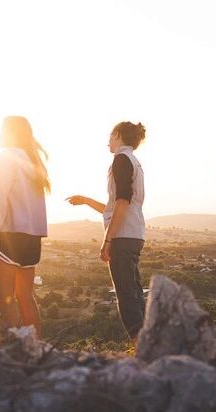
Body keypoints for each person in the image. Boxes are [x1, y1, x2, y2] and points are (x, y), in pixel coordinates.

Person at [67, 121, 147, 339]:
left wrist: (108, 239)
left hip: (122, 235)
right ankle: (147, 343)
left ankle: (140, 346)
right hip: (134, 233)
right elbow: (113, 207)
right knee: (134, 293)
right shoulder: (134, 161)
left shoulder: (121, 159)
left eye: (111, 135)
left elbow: (122, 201)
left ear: (119, 135)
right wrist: (85, 200)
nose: (108, 141)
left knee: (126, 296)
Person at [0, 116, 49, 336]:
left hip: (9, 236)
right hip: (32, 239)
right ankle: (37, 348)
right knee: (25, 297)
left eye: (1, 130)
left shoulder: (6, 157)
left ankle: (14, 349)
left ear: (10, 133)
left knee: (6, 299)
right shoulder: (33, 162)